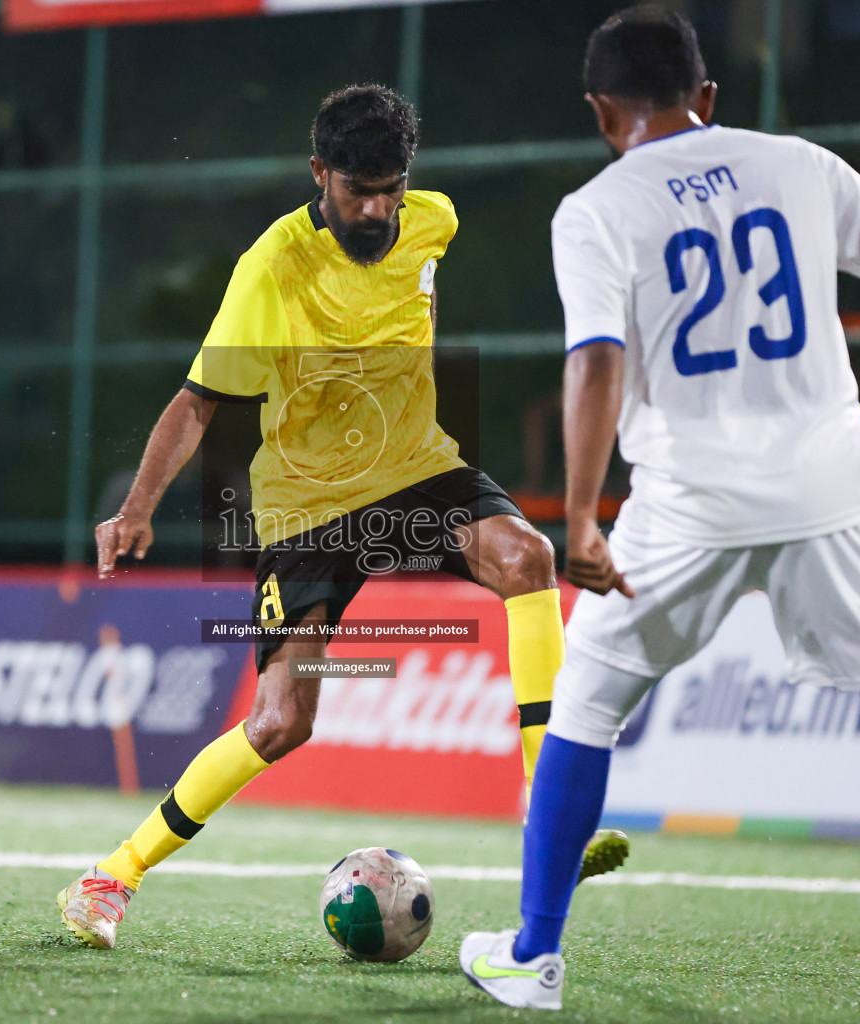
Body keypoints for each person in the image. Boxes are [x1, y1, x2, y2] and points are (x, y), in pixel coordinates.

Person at [459, 7, 860, 1021]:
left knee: (584, 711)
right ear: (707, 97)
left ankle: (534, 955)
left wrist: (579, 515)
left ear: (600, 112)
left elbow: (596, 363)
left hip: (687, 505)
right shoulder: (800, 164)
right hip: (836, 488)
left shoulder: (596, 209)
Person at [60, 84, 627, 950]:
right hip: (306, 507)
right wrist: (137, 508)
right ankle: (112, 876)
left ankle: (547, 814)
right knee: (282, 723)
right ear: (318, 173)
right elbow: (199, 402)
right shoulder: (274, 265)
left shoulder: (434, 221)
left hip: (417, 471)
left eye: (389, 189)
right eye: (356, 190)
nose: (375, 208)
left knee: (528, 559)